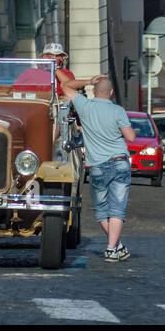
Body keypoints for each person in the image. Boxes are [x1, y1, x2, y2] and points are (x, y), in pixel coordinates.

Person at [62, 75, 136, 262]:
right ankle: (113, 247)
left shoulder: (85, 106)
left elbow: (65, 86)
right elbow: (131, 137)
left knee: (102, 210)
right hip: (119, 161)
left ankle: (115, 246)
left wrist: (88, 80)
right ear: (111, 93)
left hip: (96, 166)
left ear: (94, 91)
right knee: (117, 209)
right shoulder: (118, 110)